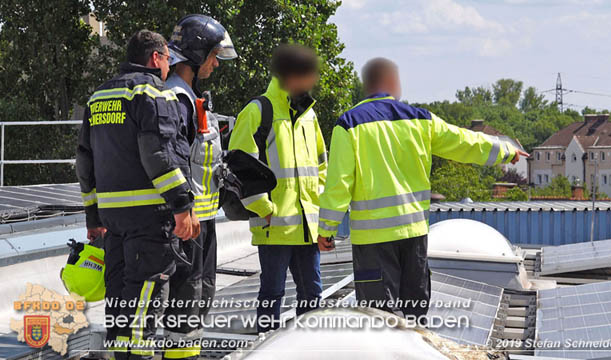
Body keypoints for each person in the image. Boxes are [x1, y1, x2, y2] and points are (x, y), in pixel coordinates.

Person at [317, 58, 528, 322]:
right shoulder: (420, 119)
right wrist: (506, 151)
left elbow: (339, 184)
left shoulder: (348, 124)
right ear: (392, 86)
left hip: (374, 242)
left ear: (366, 86)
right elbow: (464, 142)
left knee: (379, 318)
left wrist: (326, 228)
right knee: (414, 315)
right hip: (414, 238)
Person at [76, 29, 199, 360]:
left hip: (113, 220)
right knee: (145, 299)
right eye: (167, 61)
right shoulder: (153, 94)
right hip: (150, 219)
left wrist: (93, 217)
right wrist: (182, 206)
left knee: (118, 299)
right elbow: (160, 155)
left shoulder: (99, 97)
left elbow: (84, 162)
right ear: (155, 57)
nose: (168, 68)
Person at [228, 44, 327, 332]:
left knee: (313, 296)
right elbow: (239, 166)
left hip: (308, 226)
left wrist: (318, 206)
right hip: (274, 227)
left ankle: (307, 351)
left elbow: (322, 165)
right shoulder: (258, 110)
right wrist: (265, 209)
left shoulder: (310, 115)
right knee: (272, 295)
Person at [162, 14, 237, 359]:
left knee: (199, 297)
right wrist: (185, 212)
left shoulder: (190, 96)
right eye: (212, 57)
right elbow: (172, 160)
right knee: (185, 300)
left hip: (201, 219)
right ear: (196, 53)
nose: (215, 65)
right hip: (187, 222)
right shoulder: (176, 98)